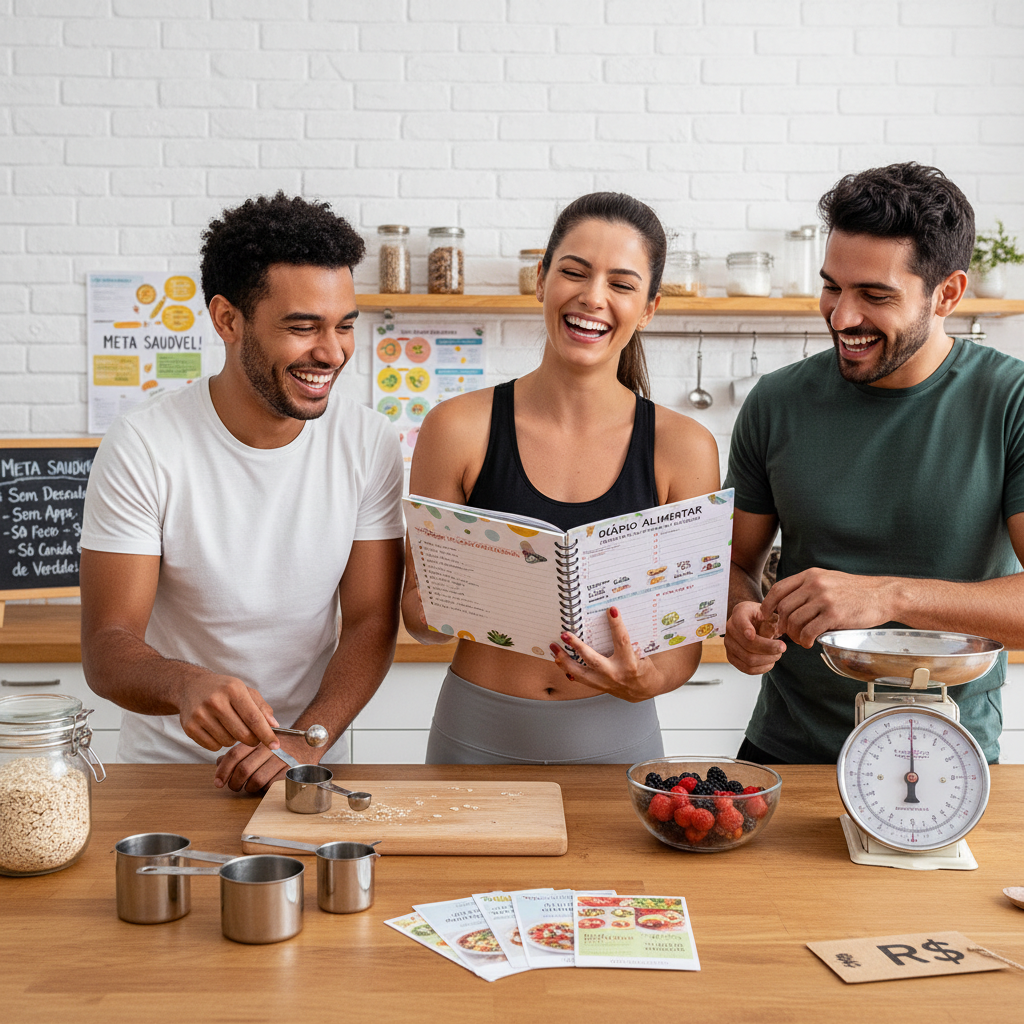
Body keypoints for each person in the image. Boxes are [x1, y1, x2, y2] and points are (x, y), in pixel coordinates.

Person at [80, 192, 405, 791]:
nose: (331, 353)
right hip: (167, 775)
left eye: (344, 326)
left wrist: (306, 740)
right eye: (302, 327)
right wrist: (185, 684)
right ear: (227, 320)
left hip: (308, 762)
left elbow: (370, 621)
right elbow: (107, 645)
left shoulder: (368, 442)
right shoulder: (144, 445)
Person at [402, 192, 721, 764]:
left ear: (648, 308)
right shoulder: (456, 428)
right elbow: (419, 619)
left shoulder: (684, 447)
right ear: (542, 280)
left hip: (618, 738)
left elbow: (682, 649)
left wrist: (645, 680)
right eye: (574, 272)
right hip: (474, 731)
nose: (593, 297)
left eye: (622, 284)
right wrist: (437, 609)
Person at [723, 162, 1024, 764]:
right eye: (832, 285)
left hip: (949, 757)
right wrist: (738, 615)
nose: (840, 318)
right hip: (787, 748)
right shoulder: (776, 402)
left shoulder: (1009, 401)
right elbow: (733, 561)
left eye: (875, 295)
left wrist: (890, 598)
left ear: (948, 294)